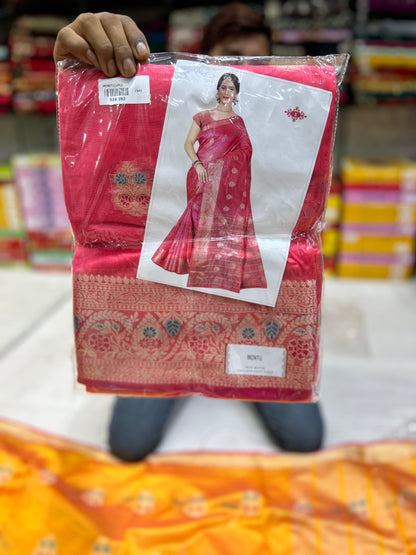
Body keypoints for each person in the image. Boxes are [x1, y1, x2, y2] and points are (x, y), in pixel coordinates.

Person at [54, 3, 324, 462]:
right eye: (232, 61)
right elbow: (121, 133)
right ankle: (188, 352)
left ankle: (228, 351)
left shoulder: (275, 111)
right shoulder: (171, 103)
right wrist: (81, 64)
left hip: (246, 266)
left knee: (303, 438)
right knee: (129, 443)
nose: (242, 75)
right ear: (205, 61)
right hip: (176, 279)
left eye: (259, 63)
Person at [152, 72, 267, 293]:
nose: (226, 92)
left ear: (236, 94)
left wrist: (220, 164)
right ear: (217, 90)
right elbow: (188, 143)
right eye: (223, 87)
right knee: (197, 218)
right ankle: (194, 266)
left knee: (216, 223)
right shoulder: (202, 116)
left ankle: (212, 271)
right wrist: (197, 164)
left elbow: (246, 150)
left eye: (231, 89)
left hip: (223, 178)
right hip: (199, 175)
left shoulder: (237, 122)